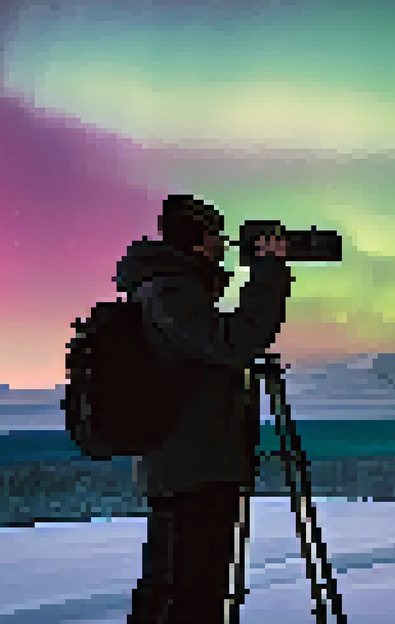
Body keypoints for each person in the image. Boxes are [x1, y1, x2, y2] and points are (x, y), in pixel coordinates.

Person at [116, 193, 294, 624]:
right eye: (217, 236)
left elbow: (213, 350)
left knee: (177, 585)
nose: (226, 247)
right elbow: (234, 342)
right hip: (193, 469)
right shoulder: (170, 291)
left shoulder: (167, 290)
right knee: (191, 593)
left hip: (190, 464)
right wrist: (268, 273)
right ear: (196, 240)